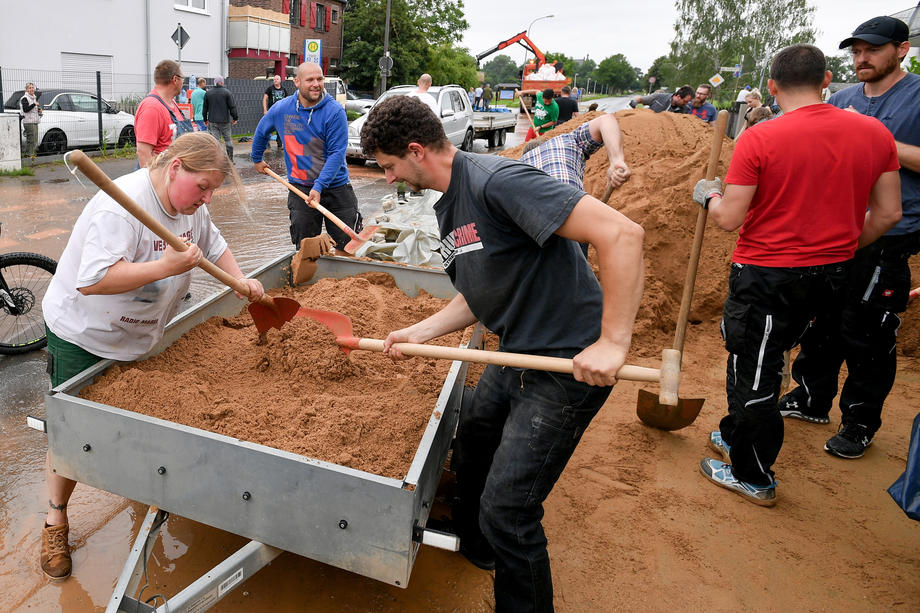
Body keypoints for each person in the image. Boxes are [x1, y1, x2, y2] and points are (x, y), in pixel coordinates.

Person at [360, 94, 644, 613]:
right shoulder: (449, 203)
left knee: (510, 511)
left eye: (388, 165)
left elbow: (622, 234)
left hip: (565, 363)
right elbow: (479, 292)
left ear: (416, 151)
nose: (387, 178)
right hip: (516, 351)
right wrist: (420, 331)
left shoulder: (498, 182)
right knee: (473, 437)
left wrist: (613, 342)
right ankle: (480, 546)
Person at [38, 132, 264, 580]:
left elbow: (214, 244)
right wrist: (165, 267)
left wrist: (240, 281)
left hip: (138, 337)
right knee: (73, 432)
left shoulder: (191, 208)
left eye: (213, 190)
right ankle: (55, 520)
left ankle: (140, 489)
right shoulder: (120, 206)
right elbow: (93, 280)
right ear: (175, 167)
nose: (207, 198)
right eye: (203, 187)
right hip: (84, 333)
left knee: (134, 423)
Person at [693, 44, 901, 506]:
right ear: (826, 79)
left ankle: (752, 474)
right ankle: (737, 435)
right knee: (779, 353)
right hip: (833, 275)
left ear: (771, 86)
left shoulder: (761, 137)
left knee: (754, 369)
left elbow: (729, 218)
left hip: (768, 275)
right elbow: (888, 213)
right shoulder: (875, 133)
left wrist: (709, 195)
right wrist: (842, 246)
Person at [779, 16, 920, 459]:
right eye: (856, 51)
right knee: (820, 319)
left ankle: (859, 421)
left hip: (891, 230)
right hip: (834, 229)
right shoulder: (841, 99)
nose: (861, 58)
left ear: (902, 50)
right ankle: (811, 397)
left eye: (872, 50)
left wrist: (873, 136)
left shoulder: (917, 97)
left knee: (867, 329)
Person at [250, 62, 362, 251]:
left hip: (336, 188)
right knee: (305, 249)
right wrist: (256, 158)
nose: (316, 84)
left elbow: (336, 154)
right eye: (310, 80)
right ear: (297, 82)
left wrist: (319, 186)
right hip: (300, 189)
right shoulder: (282, 109)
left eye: (319, 79)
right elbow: (262, 131)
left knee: (348, 247)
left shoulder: (334, 112)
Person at [520, 113, 631, 258]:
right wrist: (617, 160)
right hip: (572, 214)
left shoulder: (518, 165)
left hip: (536, 228)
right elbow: (606, 119)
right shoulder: (566, 141)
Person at [134, 60, 189, 168]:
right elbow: (144, 153)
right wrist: (154, 179)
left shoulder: (172, 103)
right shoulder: (152, 107)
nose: (183, 82)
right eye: (182, 78)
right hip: (161, 175)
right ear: (175, 79)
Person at [203, 75, 239, 161]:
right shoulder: (227, 93)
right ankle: (230, 159)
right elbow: (232, 107)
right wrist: (235, 118)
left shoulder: (208, 93)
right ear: (222, 82)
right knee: (228, 140)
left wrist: (205, 119)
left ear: (214, 83)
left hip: (212, 121)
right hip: (225, 121)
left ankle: (217, 160)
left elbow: (205, 108)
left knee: (216, 141)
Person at [262, 75, 288, 151]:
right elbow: (264, 99)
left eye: (277, 79)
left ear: (280, 80)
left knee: (280, 128)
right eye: (274, 79)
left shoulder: (283, 89)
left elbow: (287, 101)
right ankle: (267, 143)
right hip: (271, 112)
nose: (275, 80)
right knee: (269, 127)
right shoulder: (270, 89)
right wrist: (265, 110)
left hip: (280, 112)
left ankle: (279, 144)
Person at [629, 86, 693, 113]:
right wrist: (634, 102)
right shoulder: (658, 97)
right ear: (678, 97)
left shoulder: (685, 110)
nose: (686, 104)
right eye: (685, 101)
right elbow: (640, 99)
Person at [20, 82, 43, 158]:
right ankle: (28, 155)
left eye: (32, 88)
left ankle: (32, 155)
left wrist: (39, 110)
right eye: (30, 88)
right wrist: (34, 104)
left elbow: (33, 110)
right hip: (28, 122)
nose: (32, 89)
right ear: (26, 90)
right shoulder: (24, 98)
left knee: (35, 140)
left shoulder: (33, 98)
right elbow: (25, 109)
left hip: (35, 121)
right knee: (31, 139)